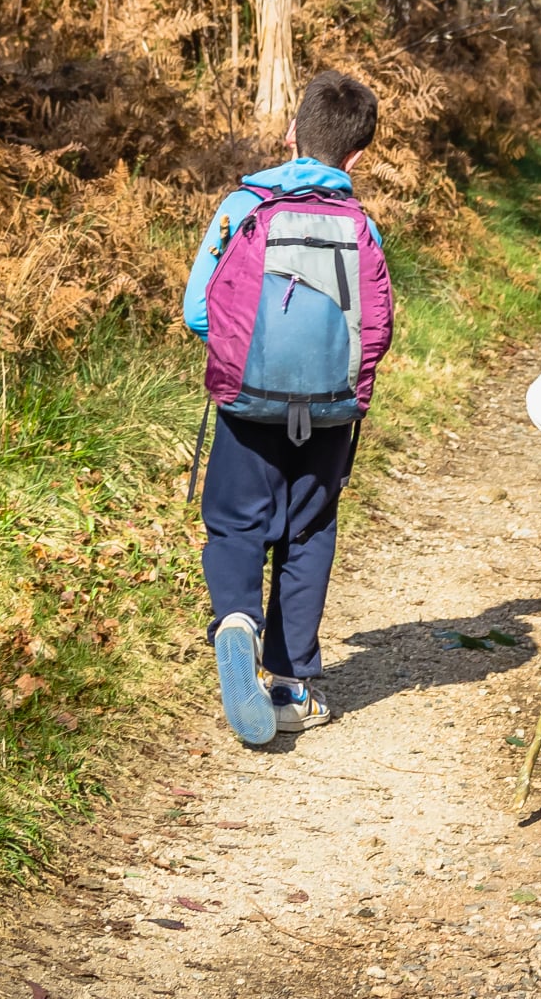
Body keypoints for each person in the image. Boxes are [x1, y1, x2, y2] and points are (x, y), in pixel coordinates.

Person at [183, 71, 394, 746]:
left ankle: (237, 622)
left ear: (291, 132)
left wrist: (249, 357)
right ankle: (291, 687)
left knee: (237, 525)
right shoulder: (361, 224)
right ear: (356, 157)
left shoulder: (242, 206)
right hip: (331, 411)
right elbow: (376, 327)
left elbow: (197, 311)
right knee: (307, 535)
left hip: (247, 405)